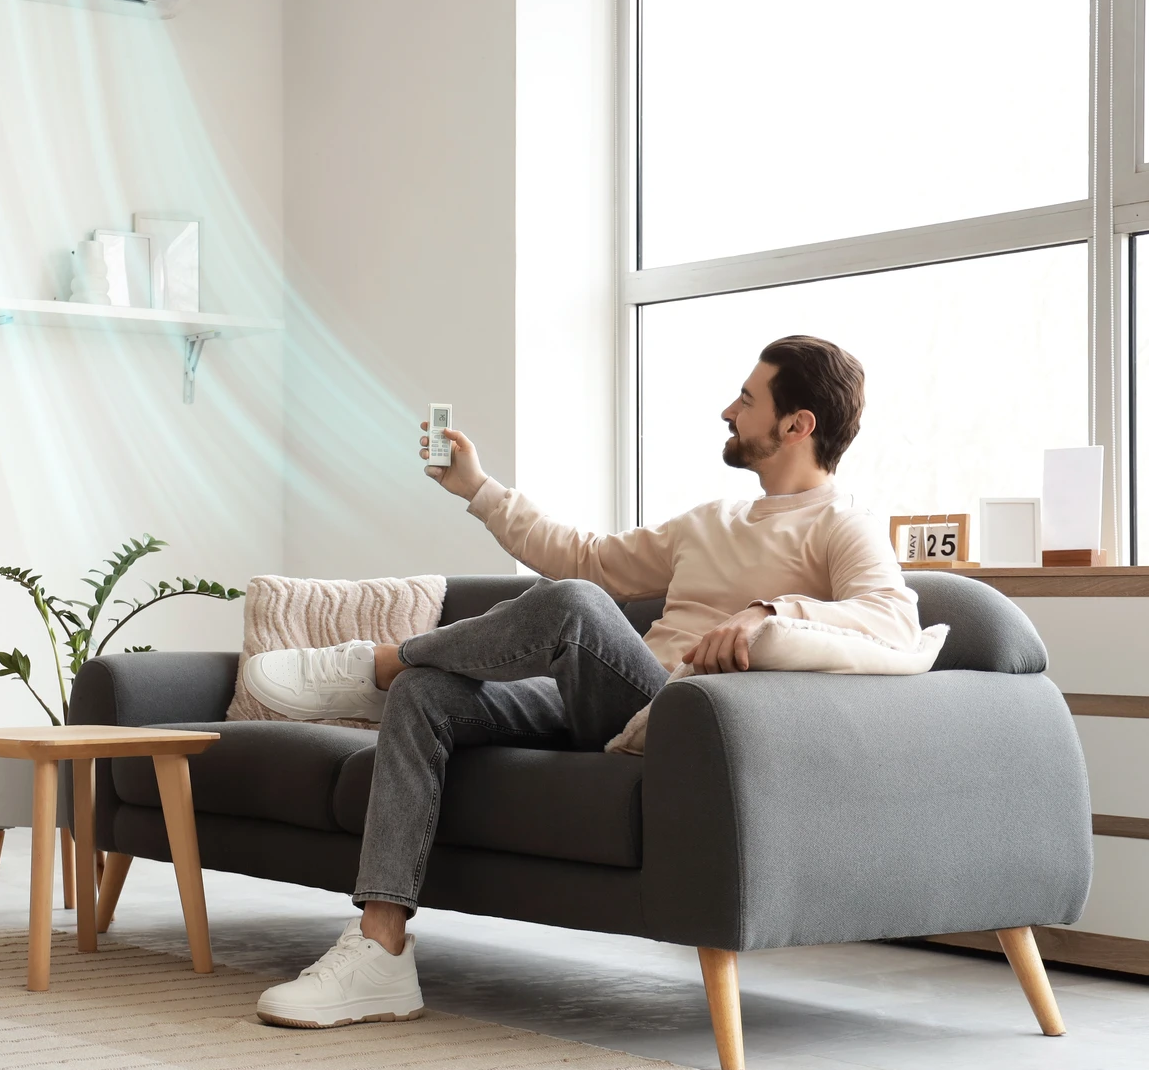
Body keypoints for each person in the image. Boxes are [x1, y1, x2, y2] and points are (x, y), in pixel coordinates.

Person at [240, 335, 919, 1029]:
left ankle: (381, 664)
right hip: (607, 702)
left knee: (570, 606)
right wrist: (478, 489)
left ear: (796, 425)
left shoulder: (841, 524)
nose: (727, 410)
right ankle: (379, 952)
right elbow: (585, 558)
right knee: (429, 696)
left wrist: (767, 613)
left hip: (680, 721)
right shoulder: (713, 521)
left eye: (746, 400)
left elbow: (893, 620)